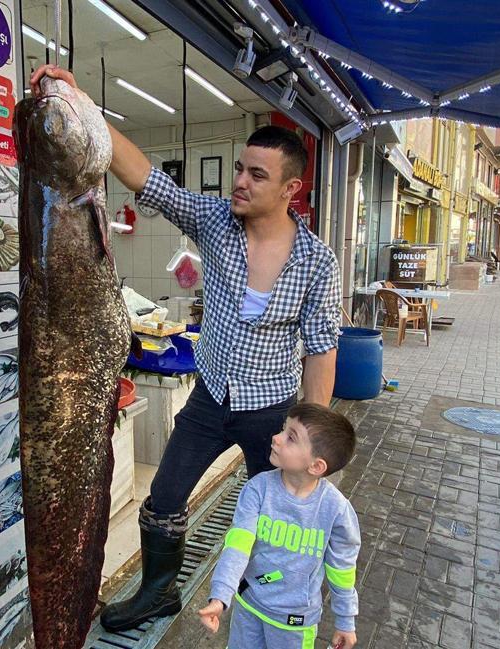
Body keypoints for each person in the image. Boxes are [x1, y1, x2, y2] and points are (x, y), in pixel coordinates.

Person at [30, 65, 343, 631]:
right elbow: (148, 181)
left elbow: (322, 350)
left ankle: (261, 598)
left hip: (270, 409)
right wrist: (81, 108)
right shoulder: (216, 222)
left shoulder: (317, 261)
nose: (239, 183)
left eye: (256, 175)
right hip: (208, 399)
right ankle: (158, 592)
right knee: (165, 497)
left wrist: (311, 438)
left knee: (272, 513)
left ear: (290, 189)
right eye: (240, 169)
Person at [198, 403, 359, 649]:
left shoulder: (335, 510)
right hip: (249, 605)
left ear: (316, 466)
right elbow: (237, 546)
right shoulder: (257, 489)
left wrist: (346, 620)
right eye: (284, 429)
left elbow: (342, 568)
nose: (276, 437)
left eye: (291, 437)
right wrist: (220, 596)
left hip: (294, 623)